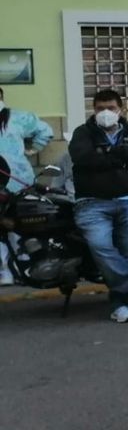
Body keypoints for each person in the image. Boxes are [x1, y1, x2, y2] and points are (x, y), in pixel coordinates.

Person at [69, 90, 128, 323]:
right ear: (93, 109)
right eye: (99, 108)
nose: (105, 113)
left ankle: (120, 303)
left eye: (111, 108)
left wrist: (113, 153)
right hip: (92, 203)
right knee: (100, 246)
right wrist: (123, 157)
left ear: (121, 109)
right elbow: (83, 157)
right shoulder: (83, 132)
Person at [0, 87, 54, 286]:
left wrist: (33, 149)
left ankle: (21, 268)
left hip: (16, 180)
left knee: (21, 225)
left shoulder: (18, 118)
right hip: (15, 178)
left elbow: (46, 131)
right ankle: (9, 270)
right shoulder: (19, 118)